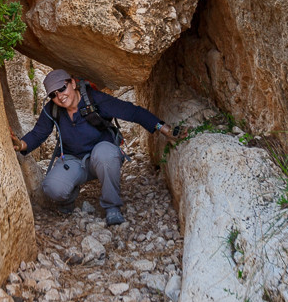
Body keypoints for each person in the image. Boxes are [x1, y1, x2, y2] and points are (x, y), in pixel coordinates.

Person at [10, 69, 183, 226]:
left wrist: (165, 129)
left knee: (105, 154)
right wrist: (21, 144)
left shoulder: (94, 99)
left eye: (62, 89)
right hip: (74, 161)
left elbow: (133, 112)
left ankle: (112, 207)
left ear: (72, 83)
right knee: (52, 188)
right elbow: (38, 133)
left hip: (101, 156)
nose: (60, 96)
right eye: (53, 95)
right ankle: (69, 197)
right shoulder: (51, 110)